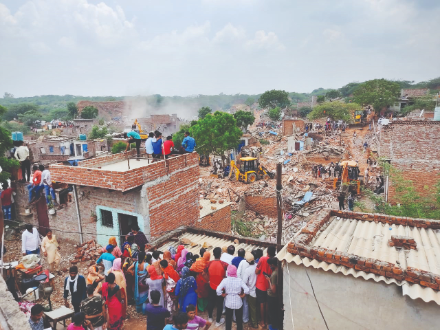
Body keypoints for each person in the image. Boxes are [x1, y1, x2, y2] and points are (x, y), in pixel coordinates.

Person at [216, 265, 249, 330]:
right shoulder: (239, 280)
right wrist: (243, 295)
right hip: (238, 303)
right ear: (235, 272)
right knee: (239, 320)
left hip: (228, 303)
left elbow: (218, 290)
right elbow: (247, 290)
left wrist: (222, 294)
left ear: (228, 272)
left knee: (228, 320)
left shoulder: (225, 280)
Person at [205, 247, 228, 326]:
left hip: (211, 285)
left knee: (211, 301)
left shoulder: (209, 263)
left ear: (213, 254)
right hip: (221, 287)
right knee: (220, 304)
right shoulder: (224, 264)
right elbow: (230, 270)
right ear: (220, 254)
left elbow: (203, 272)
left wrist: (208, 280)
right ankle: (218, 321)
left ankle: (210, 317)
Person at [255, 246, 276, 329]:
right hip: (269, 285)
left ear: (267, 251)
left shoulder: (262, 259)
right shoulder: (275, 261)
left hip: (261, 284)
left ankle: (262, 322)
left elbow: (257, 271)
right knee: (267, 303)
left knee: (262, 304)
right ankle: (267, 321)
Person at [243, 252, 258, 329]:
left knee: (252, 309)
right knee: (256, 307)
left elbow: (244, 282)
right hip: (258, 290)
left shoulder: (248, 270)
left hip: (251, 291)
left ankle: (254, 323)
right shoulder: (257, 266)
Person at [266, 258, 280, 330]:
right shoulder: (279, 270)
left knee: (272, 313)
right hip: (276, 296)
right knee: (275, 312)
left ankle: (274, 327)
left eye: (270, 265)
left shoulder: (274, 274)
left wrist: (269, 280)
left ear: (272, 265)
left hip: (272, 296)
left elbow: (273, 289)